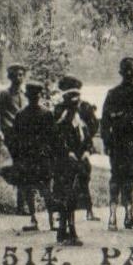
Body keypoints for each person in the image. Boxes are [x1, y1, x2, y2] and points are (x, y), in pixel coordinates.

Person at [101, 56, 133, 231]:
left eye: (131, 70)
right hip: (125, 143)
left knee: (123, 178)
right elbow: (105, 122)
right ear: (124, 73)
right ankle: (117, 217)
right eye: (129, 70)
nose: (130, 73)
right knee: (123, 178)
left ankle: (119, 217)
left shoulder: (117, 94)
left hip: (126, 143)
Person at [7, 82, 59, 233]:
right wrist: (16, 157)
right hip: (28, 157)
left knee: (45, 188)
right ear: (27, 96)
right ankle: (34, 219)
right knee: (29, 188)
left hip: (41, 157)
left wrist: (52, 155)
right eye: (32, 96)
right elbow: (14, 138)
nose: (34, 98)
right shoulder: (22, 114)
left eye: (36, 96)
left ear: (40, 96)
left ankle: (50, 220)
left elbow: (53, 138)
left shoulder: (46, 113)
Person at [53, 74, 100, 222]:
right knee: (62, 179)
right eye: (71, 95)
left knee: (84, 176)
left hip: (82, 147)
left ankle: (88, 210)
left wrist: (87, 149)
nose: (75, 99)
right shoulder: (60, 110)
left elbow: (92, 128)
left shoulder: (85, 108)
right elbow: (56, 133)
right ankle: (60, 212)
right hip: (64, 150)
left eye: (77, 95)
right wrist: (67, 151)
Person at [51, 82, 93, 245]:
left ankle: (68, 230)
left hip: (79, 163)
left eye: (78, 101)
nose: (76, 104)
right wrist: (67, 152)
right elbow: (58, 139)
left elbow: (87, 137)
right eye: (73, 101)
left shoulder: (79, 118)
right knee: (65, 196)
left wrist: (87, 151)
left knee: (74, 197)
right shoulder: (62, 119)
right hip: (65, 163)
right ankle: (66, 230)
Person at [0, 63, 27, 212]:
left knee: (27, 166)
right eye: (15, 75)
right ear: (9, 77)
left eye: (21, 75)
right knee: (21, 165)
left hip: (25, 135)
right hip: (10, 134)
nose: (18, 78)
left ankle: (22, 203)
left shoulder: (25, 95)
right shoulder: (3, 94)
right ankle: (21, 205)